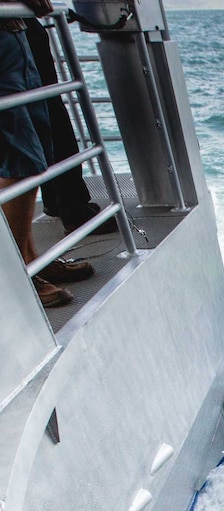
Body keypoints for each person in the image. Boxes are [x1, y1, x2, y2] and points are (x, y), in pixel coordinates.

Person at [1, 3, 93, 308]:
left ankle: (31, 260)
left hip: (15, 34)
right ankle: (17, 277)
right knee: (20, 160)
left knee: (36, 151)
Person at [23, 17, 117, 234]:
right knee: (50, 113)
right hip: (15, 29)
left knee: (34, 117)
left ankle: (56, 199)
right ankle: (73, 207)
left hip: (15, 28)